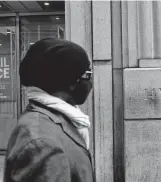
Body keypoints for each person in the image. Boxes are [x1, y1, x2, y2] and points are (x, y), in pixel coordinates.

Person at [4, 38, 94, 182]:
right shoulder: (42, 142)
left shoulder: (56, 120)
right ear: (71, 81)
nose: (91, 82)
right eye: (87, 74)